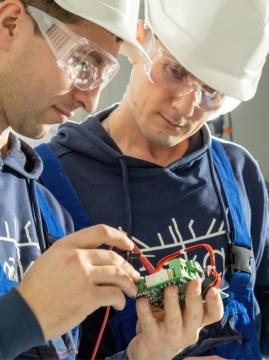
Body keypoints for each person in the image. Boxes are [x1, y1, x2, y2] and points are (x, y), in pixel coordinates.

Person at [0, 0, 224, 359]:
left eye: (104, 75)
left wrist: (148, 353)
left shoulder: (49, 212)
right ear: (11, 23)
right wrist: (26, 314)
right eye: (84, 62)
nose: (91, 102)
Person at [36, 0, 269, 359]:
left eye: (212, 92)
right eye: (175, 71)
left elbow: (262, 301)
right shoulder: (46, 181)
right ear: (140, 40)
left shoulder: (239, 172)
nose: (185, 107)